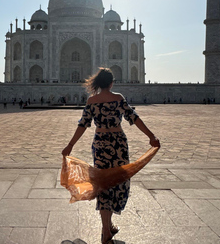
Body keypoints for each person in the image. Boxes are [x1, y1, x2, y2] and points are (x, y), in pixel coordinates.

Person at [61, 68, 160, 244]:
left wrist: (70, 145)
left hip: (100, 143)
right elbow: (134, 118)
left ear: (98, 83)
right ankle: (107, 228)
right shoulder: (118, 98)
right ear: (112, 83)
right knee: (118, 181)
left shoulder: (92, 101)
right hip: (118, 143)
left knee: (103, 183)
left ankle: (107, 227)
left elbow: (83, 125)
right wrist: (151, 136)